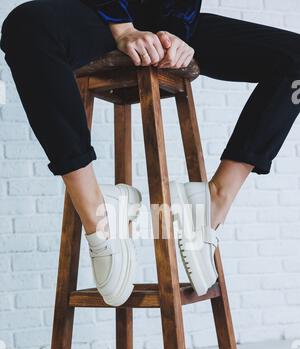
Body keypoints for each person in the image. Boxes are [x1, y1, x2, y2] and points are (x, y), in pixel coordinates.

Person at [1, 0, 300, 305]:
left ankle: (213, 201)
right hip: (102, 16)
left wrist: (176, 35)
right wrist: (122, 27)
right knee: (24, 25)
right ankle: (97, 211)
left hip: (172, 19)